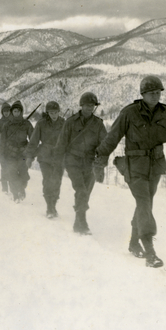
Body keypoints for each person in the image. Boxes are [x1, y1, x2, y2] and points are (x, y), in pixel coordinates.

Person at [95, 76, 166, 268]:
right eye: (151, 93)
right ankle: (150, 252)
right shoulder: (129, 113)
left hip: (156, 166)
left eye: (158, 93)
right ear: (142, 94)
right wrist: (101, 157)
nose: (155, 96)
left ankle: (134, 243)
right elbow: (113, 137)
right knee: (144, 202)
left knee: (145, 203)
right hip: (134, 166)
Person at [54, 92, 107, 235]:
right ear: (81, 105)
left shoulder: (98, 124)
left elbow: (105, 146)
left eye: (92, 105)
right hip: (73, 162)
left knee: (85, 193)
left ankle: (78, 221)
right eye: (87, 105)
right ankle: (82, 222)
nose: (90, 108)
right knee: (81, 190)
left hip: (90, 164)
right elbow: (61, 143)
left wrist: (101, 165)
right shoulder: (70, 122)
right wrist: (57, 163)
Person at [25, 101, 65, 218]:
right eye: (51, 113)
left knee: (57, 182)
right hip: (45, 156)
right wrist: (29, 157)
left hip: (59, 157)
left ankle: (53, 204)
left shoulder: (64, 123)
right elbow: (34, 141)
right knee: (48, 181)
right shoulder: (41, 124)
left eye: (56, 112)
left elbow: (70, 140)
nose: (54, 115)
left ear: (59, 112)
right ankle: (49, 207)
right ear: (47, 113)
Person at [0, 101, 34, 202]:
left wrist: (31, 154)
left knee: (24, 175)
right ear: (12, 112)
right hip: (10, 154)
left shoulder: (27, 124)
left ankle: (22, 189)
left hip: (23, 154)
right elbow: (2, 141)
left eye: (18, 111)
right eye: (14, 111)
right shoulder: (7, 125)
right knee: (12, 174)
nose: (16, 113)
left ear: (21, 112)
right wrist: (1, 155)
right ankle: (15, 194)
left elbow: (33, 139)